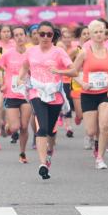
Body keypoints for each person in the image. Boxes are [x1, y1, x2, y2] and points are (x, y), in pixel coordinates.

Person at [18, 21, 75, 179]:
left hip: (54, 94)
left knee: (50, 130)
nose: (45, 37)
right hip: (36, 92)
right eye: (41, 34)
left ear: (53, 36)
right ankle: (43, 163)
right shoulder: (31, 51)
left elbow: (74, 71)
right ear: (36, 35)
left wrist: (59, 70)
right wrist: (20, 78)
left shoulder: (59, 52)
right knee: (41, 128)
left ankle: (50, 150)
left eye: (48, 34)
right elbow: (24, 66)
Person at [73, 20, 108, 170]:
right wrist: (81, 83)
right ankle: (95, 144)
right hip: (88, 93)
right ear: (90, 35)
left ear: (105, 33)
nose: (98, 35)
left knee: (104, 126)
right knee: (91, 130)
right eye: (95, 32)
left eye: (101, 31)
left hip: (105, 93)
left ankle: (100, 157)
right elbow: (73, 72)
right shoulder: (84, 53)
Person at [0, 25, 32, 164]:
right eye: (16, 35)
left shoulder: (31, 53)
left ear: (26, 36)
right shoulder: (8, 54)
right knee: (15, 127)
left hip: (26, 94)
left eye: (21, 34)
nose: (19, 37)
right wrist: (1, 83)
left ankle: (22, 153)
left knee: (24, 126)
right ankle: (8, 127)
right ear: (13, 38)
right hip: (11, 94)